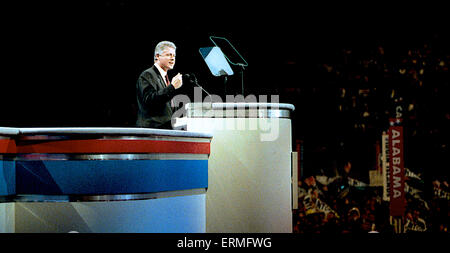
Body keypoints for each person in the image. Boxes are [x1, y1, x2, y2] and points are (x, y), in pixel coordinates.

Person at [136, 41, 183, 129]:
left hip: (166, 129)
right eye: (169, 55)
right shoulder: (148, 75)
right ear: (157, 56)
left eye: (174, 56)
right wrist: (172, 87)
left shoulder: (165, 78)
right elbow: (150, 100)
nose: (172, 58)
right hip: (152, 131)